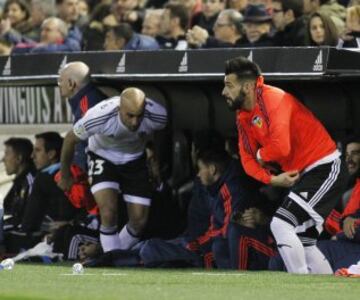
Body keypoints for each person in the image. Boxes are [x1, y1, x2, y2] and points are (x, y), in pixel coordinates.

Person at [222, 56, 347, 274]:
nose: (224, 92)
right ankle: (325, 292)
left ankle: (297, 287)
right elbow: (246, 161)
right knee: (303, 241)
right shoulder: (242, 115)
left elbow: (281, 148)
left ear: (249, 86)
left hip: (326, 166)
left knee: (281, 224)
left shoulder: (275, 99)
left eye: (229, 86)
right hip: (307, 174)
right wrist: (271, 179)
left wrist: (260, 155)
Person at [58, 87, 167, 253]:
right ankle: (112, 258)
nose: (135, 122)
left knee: (139, 222)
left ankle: (109, 253)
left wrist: (153, 161)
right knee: (108, 212)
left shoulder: (158, 115)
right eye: (130, 115)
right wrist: (65, 175)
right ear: (119, 109)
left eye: (139, 116)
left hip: (134, 159)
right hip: (103, 156)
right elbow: (70, 139)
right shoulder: (99, 117)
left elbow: (153, 134)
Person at [58, 61, 107, 171]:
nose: (59, 85)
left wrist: (78, 174)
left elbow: (83, 144)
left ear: (71, 84)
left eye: (60, 81)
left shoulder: (87, 105)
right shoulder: (84, 100)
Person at [2, 138, 36, 231]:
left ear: (19, 158)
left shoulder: (31, 180)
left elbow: (27, 219)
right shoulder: (20, 181)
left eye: (7, 154)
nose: (3, 159)